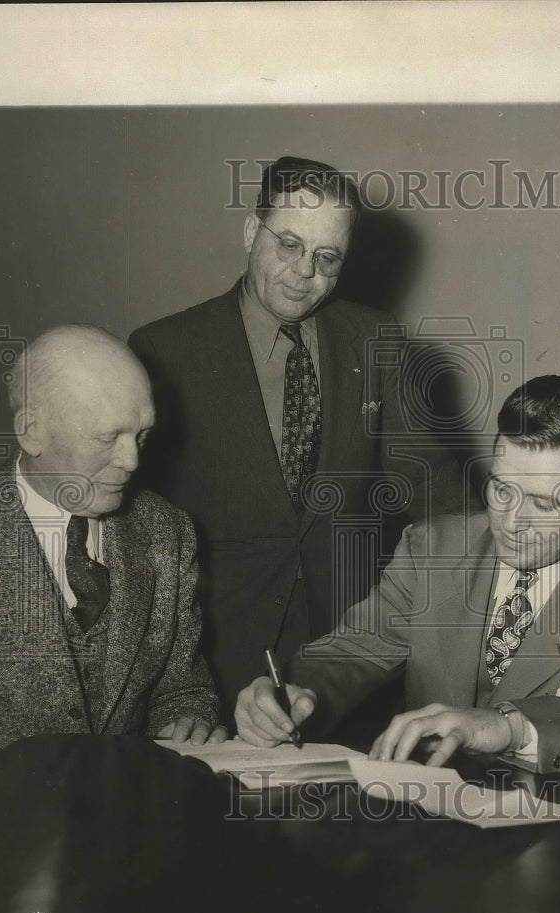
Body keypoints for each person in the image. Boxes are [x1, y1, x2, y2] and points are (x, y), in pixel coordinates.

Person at [129, 155, 462, 712]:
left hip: (347, 662)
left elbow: (434, 491)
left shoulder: (374, 338)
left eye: (326, 257)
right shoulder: (164, 350)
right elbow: (138, 534)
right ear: (249, 231)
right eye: (288, 244)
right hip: (209, 667)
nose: (304, 272)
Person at [235, 375, 560, 772]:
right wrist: (293, 692)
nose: (512, 523)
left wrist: (510, 727)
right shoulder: (432, 548)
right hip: (427, 827)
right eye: (501, 488)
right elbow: (353, 651)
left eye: (546, 504)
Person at [0, 325, 224, 758]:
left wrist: (190, 719)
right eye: (107, 437)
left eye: (141, 435)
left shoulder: (167, 531)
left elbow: (182, 689)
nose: (132, 461)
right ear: (31, 431)